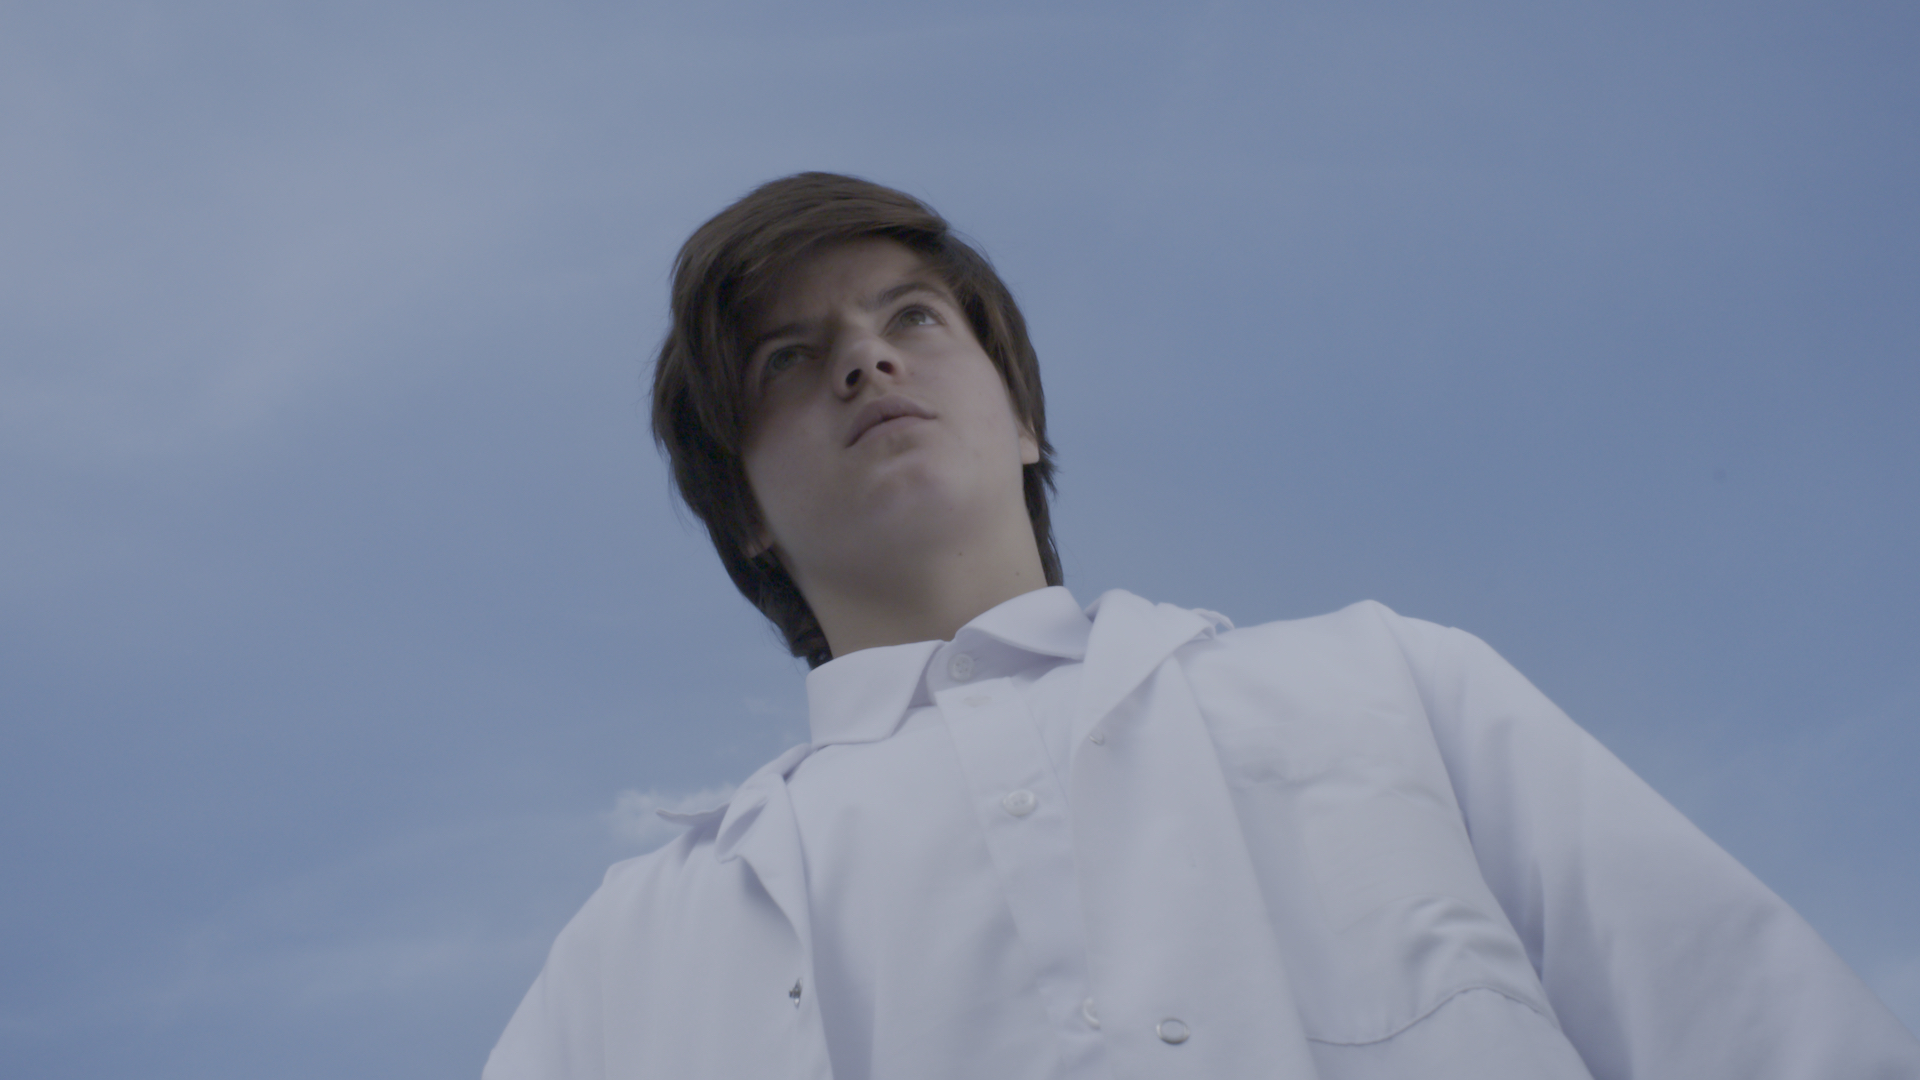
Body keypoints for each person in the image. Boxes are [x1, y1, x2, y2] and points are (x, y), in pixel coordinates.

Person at [484, 173, 1919, 1079]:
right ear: (742, 511)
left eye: (912, 318)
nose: (863, 360)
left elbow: (1765, 1033)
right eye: (789, 360)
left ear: (1025, 418)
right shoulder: (636, 947)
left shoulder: (1391, 688)